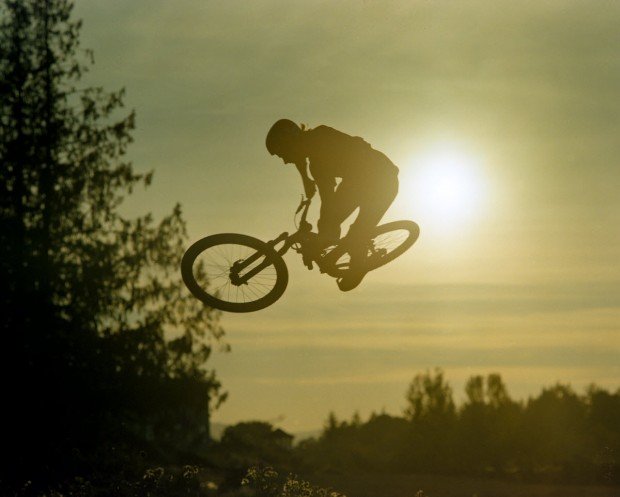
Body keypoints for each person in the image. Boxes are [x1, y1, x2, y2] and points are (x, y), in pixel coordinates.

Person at [266, 119, 399, 291]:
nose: (284, 161)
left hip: (382, 182)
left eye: (282, 154)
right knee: (330, 221)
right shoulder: (311, 150)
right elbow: (301, 159)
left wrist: (325, 233)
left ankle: (358, 267)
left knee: (354, 234)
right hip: (358, 182)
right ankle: (336, 242)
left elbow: (328, 198)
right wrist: (306, 180)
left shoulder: (321, 145)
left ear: (291, 143)